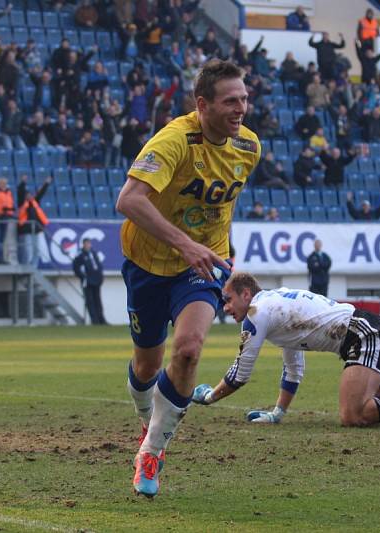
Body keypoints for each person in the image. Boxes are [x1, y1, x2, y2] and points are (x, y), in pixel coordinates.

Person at [115, 59, 260, 498]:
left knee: (190, 350)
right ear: (202, 105)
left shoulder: (249, 147)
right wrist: (185, 243)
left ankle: (152, 451)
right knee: (147, 365)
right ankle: (149, 420)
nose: (241, 108)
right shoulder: (174, 140)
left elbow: (220, 208)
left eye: (245, 99)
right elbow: (129, 200)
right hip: (147, 262)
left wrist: (217, 252)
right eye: (231, 100)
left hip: (202, 265)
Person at [191, 272, 380, 427]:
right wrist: (278, 413)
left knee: (353, 416)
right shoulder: (273, 307)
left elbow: (240, 373)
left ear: (246, 294)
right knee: (372, 412)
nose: (225, 308)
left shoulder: (256, 313)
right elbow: (294, 367)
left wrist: (209, 397)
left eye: (227, 300)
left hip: (362, 334)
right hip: (369, 329)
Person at [16, 175, 52, 266]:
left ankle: (33, 267)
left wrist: (46, 184)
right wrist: (23, 182)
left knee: (36, 250)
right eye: (26, 195)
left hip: (35, 230)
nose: (28, 196)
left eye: (29, 194)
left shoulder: (35, 201)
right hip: (26, 230)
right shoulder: (21, 203)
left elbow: (41, 193)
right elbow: (20, 191)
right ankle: (26, 266)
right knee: (28, 250)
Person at [73, 238, 107, 325]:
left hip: (96, 280)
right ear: (83, 245)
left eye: (89, 243)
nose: (88, 245)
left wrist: (100, 276)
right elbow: (76, 268)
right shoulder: (80, 255)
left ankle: (101, 320)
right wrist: (83, 277)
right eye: (86, 244)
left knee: (97, 300)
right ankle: (94, 321)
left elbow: (98, 265)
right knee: (90, 301)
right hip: (87, 282)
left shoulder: (93, 253)